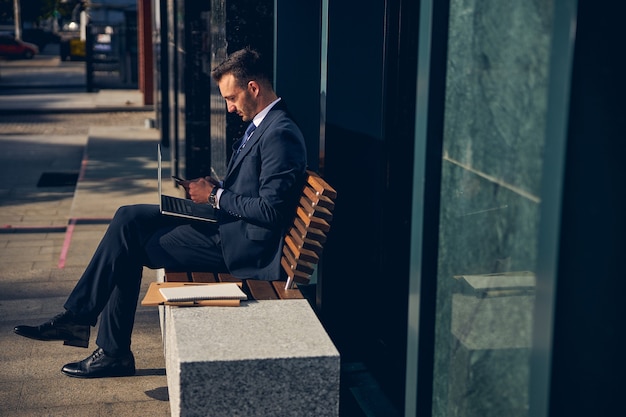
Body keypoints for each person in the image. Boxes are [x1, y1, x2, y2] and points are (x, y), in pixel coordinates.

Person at [13, 47, 307, 378]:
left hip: (242, 247)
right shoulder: (262, 125)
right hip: (228, 226)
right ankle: (84, 324)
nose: (229, 107)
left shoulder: (280, 133)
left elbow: (271, 210)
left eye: (232, 97)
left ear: (253, 87)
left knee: (128, 245)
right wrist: (218, 186)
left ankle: (103, 344)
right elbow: (256, 188)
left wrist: (215, 195)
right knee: (129, 216)